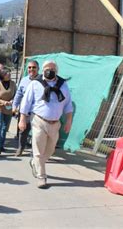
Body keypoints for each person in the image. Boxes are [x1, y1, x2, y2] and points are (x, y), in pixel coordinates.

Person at [19, 60, 73, 189]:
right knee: (38, 151)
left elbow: (68, 104)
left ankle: (35, 163)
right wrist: (22, 119)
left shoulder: (63, 85)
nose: (49, 71)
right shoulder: (35, 84)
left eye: (52, 69)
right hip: (39, 121)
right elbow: (26, 102)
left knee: (50, 150)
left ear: (56, 71)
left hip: (55, 123)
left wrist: (69, 121)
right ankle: (41, 177)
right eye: (47, 69)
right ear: (42, 71)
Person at [12, 60, 40, 157]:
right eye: (29, 67)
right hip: (24, 111)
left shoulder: (42, 80)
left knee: (37, 133)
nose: (31, 69)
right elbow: (18, 94)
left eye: (34, 67)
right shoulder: (24, 80)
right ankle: (21, 148)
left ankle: (35, 152)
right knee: (23, 131)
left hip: (37, 112)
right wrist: (14, 106)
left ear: (38, 69)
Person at [0, 68, 16, 156]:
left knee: (5, 128)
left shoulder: (13, 84)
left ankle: (1, 145)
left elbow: (16, 95)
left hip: (8, 108)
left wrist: (12, 101)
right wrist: (3, 102)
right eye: (6, 73)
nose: (9, 74)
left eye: (9, 73)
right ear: (2, 75)